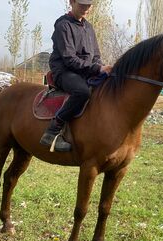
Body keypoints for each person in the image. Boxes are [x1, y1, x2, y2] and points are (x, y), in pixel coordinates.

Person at [40, 0, 112, 152]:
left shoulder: (89, 27)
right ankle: (53, 130)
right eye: (82, 4)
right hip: (65, 71)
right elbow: (69, 59)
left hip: (84, 71)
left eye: (89, 5)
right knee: (82, 92)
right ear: (71, 2)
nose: (86, 9)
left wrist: (102, 68)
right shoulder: (63, 25)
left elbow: (96, 55)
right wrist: (97, 68)